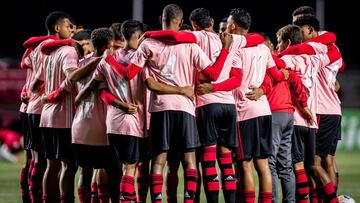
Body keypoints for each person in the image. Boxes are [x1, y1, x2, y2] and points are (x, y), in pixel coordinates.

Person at [225, 8, 288, 203]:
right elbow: (277, 75)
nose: (226, 26)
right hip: (264, 110)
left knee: (245, 164)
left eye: (228, 23)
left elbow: (234, 80)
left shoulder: (236, 49)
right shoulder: (263, 48)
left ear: (233, 25)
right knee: (263, 165)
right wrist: (265, 86)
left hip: (245, 110)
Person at [274, 23, 341, 203]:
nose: (277, 46)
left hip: (296, 118)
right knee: (313, 165)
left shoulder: (290, 59)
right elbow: (334, 54)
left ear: (287, 43)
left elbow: (275, 63)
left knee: (298, 167)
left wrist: (280, 54)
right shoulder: (313, 60)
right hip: (312, 122)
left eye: (279, 42)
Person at [29, 10, 81, 203]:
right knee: (69, 165)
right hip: (63, 117)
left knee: (51, 165)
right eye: (69, 26)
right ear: (57, 28)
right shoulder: (68, 51)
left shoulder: (48, 53)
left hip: (46, 115)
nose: (72, 29)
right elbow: (72, 78)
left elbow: (34, 85)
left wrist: (46, 94)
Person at [293, 14, 344, 202]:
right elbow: (340, 66)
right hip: (333, 109)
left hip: (321, 109)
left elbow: (326, 37)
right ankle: (329, 198)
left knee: (313, 162)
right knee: (327, 159)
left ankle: (330, 199)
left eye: (300, 30)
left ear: (312, 30)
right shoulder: (333, 48)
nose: (298, 34)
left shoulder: (315, 47)